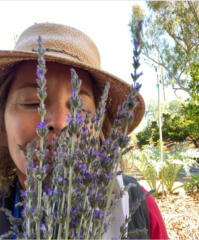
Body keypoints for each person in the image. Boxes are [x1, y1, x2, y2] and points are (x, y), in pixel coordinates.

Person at [0, 23, 168, 239]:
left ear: (98, 128)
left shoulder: (139, 208)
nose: (60, 122)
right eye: (33, 103)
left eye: (78, 106)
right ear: (2, 129)